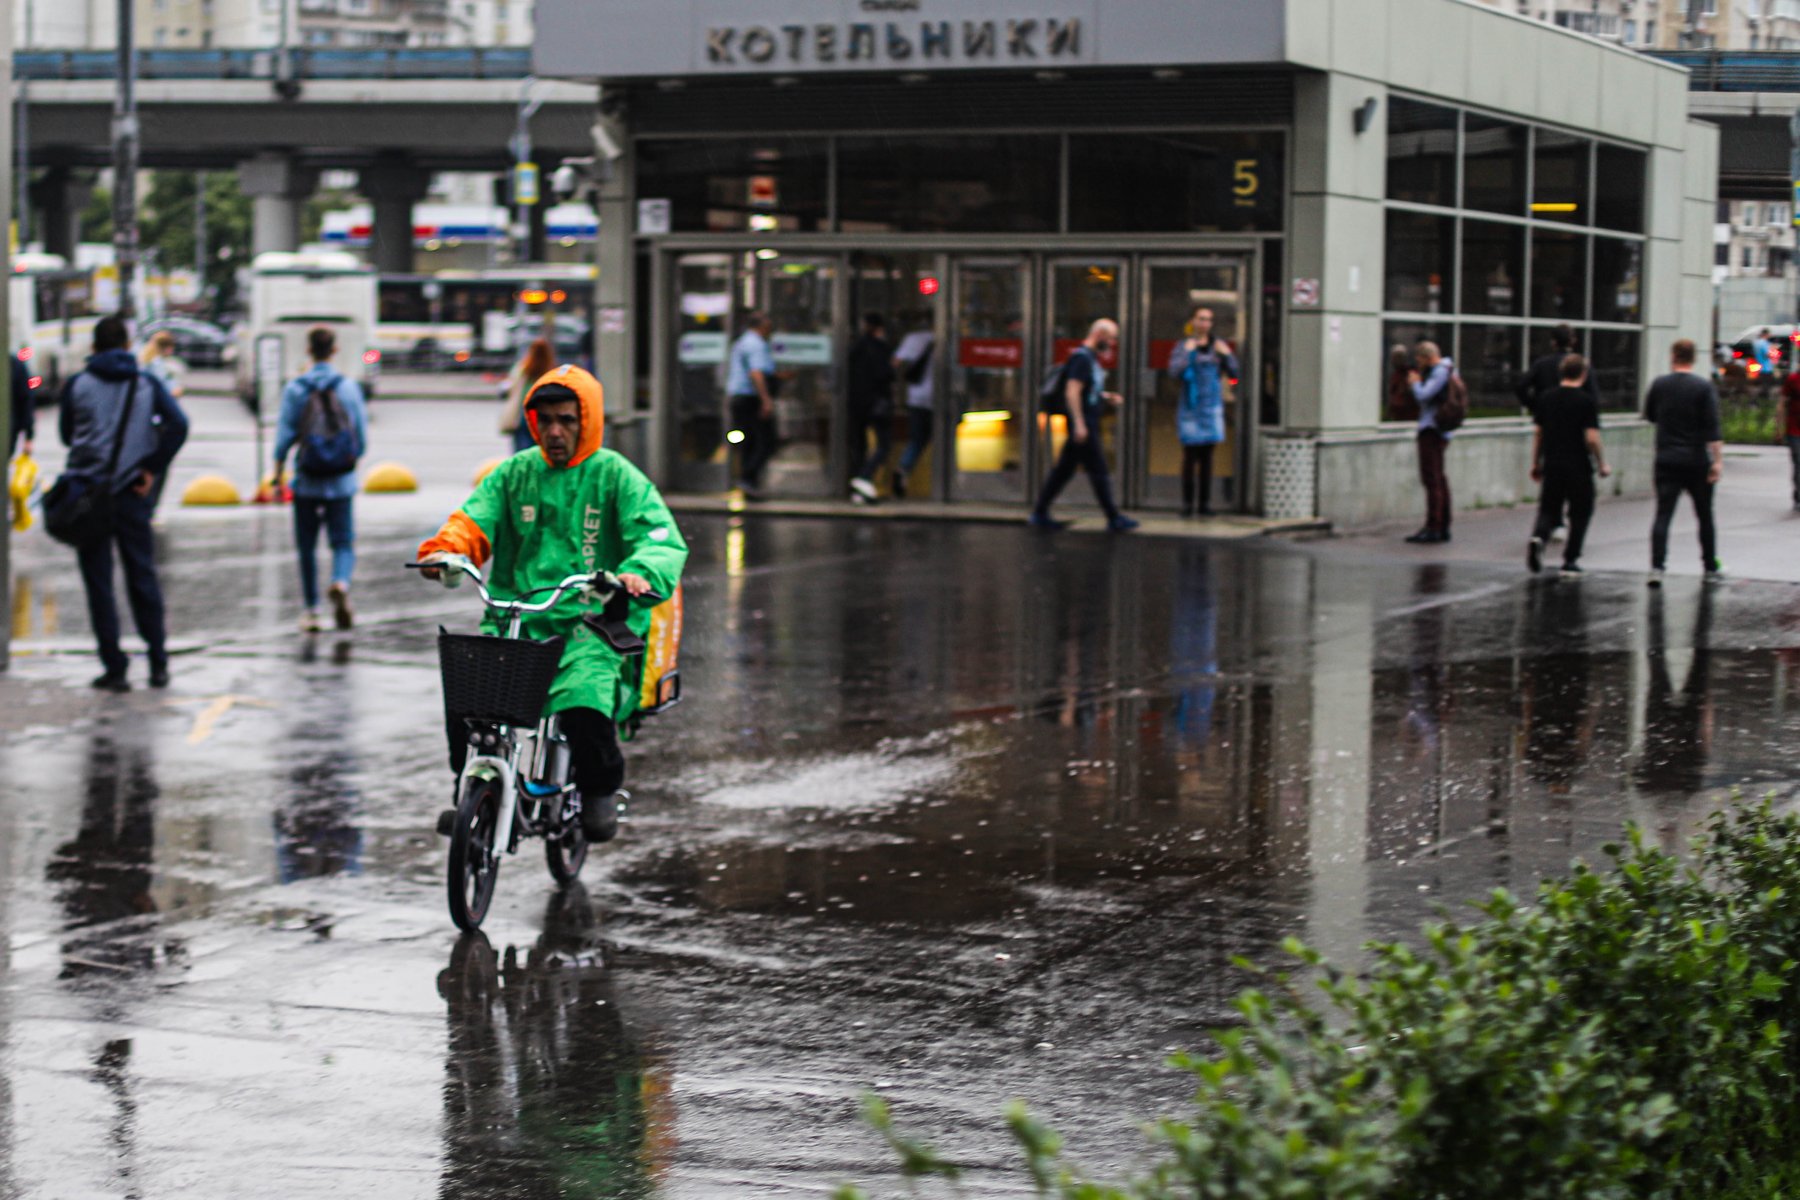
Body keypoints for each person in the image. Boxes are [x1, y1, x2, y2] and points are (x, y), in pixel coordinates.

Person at [417, 364, 688, 843]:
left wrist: (637, 573)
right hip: (516, 618)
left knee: (584, 704)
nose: (554, 431)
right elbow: (472, 519)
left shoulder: (615, 476)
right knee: (469, 702)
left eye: (566, 419)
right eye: (545, 421)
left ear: (589, 421)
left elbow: (660, 537)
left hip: (590, 625)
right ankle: (469, 790)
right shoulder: (515, 473)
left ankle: (600, 792)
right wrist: (447, 552)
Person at [60, 314, 189, 692]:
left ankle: (114, 667)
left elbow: (68, 434)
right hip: (133, 493)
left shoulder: (77, 384)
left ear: (94, 347)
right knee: (142, 576)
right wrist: (151, 466)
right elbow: (178, 425)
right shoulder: (145, 384)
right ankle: (158, 663)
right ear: (127, 346)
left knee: (99, 583)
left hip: (90, 496)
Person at [273, 326, 370, 633]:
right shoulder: (348, 388)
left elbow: (284, 436)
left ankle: (311, 610)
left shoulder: (295, 388)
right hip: (341, 481)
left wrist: (277, 473)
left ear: (309, 350)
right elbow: (361, 438)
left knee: (306, 546)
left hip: (307, 481)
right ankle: (340, 583)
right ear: (334, 350)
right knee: (342, 542)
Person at [1028, 318, 1137, 533]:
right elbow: (1072, 390)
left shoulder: (1089, 359)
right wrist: (1079, 423)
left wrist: (1105, 397)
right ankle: (1113, 517)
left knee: (1064, 471)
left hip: (1086, 421)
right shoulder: (1082, 359)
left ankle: (1040, 512)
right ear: (1099, 335)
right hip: (1084, 423)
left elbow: (1086, 390)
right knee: (1099, 470)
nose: (1113, 343)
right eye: (1111, 338)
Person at [1643, 337, 1724, 587]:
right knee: (1704, 514)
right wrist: (1717, 461)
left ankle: (1657, 567)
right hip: (1696, 459)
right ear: (1694, 358)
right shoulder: (1703, 387)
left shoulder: (1659, 385)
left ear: (1673, 356)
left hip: (1666, 458)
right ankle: (1709, 566)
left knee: (1663, 513)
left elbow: (1650, 415)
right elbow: (1713, 428)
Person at [1526, 354, 1611, 580]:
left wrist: (1536, 462)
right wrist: (1602, 463)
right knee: (1581, 511)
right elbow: (1591, 437)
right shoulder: (1586, 401)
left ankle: (1539, 537)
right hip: (1578, 465)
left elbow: (1539, 434)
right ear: (1583, 374)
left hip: (1552, 463)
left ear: (1561, 373)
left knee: (1548, 508)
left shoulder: (1546, 398)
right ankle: (1570, 560)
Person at [1166, 305, 1240, 517]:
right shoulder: (1183, 346)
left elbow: (1234, 375)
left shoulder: (1218, 346)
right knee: (1190, 457)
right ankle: (1187, 504)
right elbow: (1174, 372)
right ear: (1192, 321)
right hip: (1190, 408)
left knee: (1207, 458)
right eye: (1200, 318)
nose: (1204, 323)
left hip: (1211, 407)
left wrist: (1228, 356)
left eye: (1208, 319)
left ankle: (1204, 504)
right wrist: (1188, 353)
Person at [1406, 340, 1455, 544]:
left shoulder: (1440, 372)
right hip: (1441, 430)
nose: (1418, 364)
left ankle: (1434, 526)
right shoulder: (1450, 369)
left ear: (1427, 357)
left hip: (1432, 429)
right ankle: (1442, 524)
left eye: (1419, 359)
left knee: (1432, 478)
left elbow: (1424, 395)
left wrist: (1415, 383)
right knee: (1439, 478)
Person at [725, 311, 778, 497]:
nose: (770, 331)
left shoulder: (742, 341)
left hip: (739, 397)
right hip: (750, 398)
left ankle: (749, 481)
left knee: (749, 440)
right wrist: (766, 400)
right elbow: (756, 373)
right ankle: (748, 478)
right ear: (762, 327)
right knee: (766, 441)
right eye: (768, 327)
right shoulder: (756, 344)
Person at [846, 312, 896, 504]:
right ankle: (864, 478)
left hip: (856, 403)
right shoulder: (881, 348)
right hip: (876, 403)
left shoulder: (855, 347)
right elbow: (886, 375)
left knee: (859, 446)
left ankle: (858, 492)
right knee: (884, 445)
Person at [1514, 324, 1598, 419]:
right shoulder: (1583, 365)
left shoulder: (1541, 364)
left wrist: (1535, 407)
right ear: (1573, 341)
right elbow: (1593, 396)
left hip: (1547, 418)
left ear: (1553, 342)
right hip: (1574, 418)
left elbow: (1521, 386)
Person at [891, 327, 935, 499]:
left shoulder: (913, 337)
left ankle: (903, 467)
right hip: (941, 397)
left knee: (917, 440)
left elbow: (895, 363)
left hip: (916, 396)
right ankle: (948, 480)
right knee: (945, 441)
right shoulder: (952, 335)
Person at [499, 337, 556, 455]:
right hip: (542, 417)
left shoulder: (522, 369)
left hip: (522, 417)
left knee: (521, 454)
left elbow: (510, 387)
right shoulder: (551, 372)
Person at [139, 330, 185, 400]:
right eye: (172, 346)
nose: (172, 350)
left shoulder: (150, 360)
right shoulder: (157, 363)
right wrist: (175, 390)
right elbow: (161, 384)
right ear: (167, 348)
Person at [1780, 361, 1800, 511]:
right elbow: (1782, 403)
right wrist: (1778, 427)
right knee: (1798, 462)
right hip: (1794, 429)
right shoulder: (1793, 380)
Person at [1385, 344, 1417, 422]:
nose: (1397, 360)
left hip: (1410, 414)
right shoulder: (1394, 375)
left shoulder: (1411, 373)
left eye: (1400, 357)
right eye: (1395, 357)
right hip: (1397, 415)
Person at [9, 352, 33, 457]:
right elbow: (26, 399)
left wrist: (28, 437)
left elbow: (26, 400)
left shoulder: (15, 365)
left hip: (9, 430)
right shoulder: (15, 364)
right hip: (9, 430)